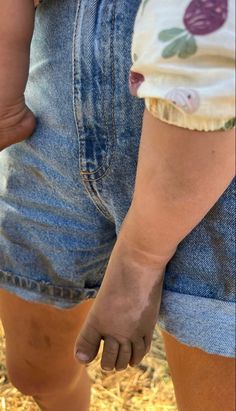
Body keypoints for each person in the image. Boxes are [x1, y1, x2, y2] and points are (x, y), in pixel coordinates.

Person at [0, 1, 235, 410]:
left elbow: (212, 54)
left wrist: (140, 261)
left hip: (211, 147)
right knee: (36, 372)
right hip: (52, 100)